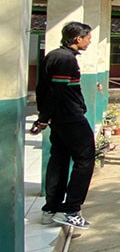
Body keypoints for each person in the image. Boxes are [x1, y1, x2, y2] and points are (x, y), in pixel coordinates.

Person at [34, 22, 96, 229]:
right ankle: (71, 209)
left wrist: (45, 116)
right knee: (85, 159)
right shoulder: (65, 59)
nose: (89, 40)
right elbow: (56, 92)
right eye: (88, 37)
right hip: (70, 118)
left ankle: (50, 208)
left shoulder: (53, 56)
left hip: (60, 119)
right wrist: (43, 118)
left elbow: (44, 89)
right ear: (77, 39)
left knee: (59, 160)